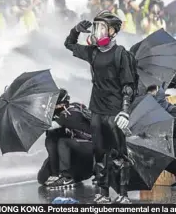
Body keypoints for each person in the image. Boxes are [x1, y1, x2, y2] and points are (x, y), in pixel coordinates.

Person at [64, 11, 137, 204]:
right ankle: (103, 193)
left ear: (112, 31)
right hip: (96, 109)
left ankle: (123, 194)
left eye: (101, 27)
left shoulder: (122, 54)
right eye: (95, 27)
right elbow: (69, 45)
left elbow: (128, 85)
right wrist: (75, 31)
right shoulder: (93, 52)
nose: (97, 31)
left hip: (115, 111)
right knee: (99, 153)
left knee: (119, 154)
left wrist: (125, 111)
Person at [37, 89, 93, 188]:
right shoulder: (65, 111)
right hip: (77, 149)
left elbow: (49, 126)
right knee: (42, 178)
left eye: (54, 104)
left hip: (89, 151)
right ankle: (67, 175)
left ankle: (66, 176)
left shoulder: (68, 114)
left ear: (60, 104)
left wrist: (34, 119)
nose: (52, 106)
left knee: (62, 142)